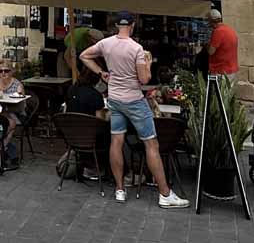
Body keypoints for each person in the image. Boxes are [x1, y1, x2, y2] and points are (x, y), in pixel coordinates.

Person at [81, 11, 189, 207]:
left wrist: (101, 72)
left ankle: (120, 190)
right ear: (132, 26)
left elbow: (84, 56)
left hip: (115, 99)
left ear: (116, 26)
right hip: (134, 101)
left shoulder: (106, 44)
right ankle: (165, 193)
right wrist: (148, 63)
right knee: (151, 145)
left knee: (116, 141)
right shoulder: (136, 48)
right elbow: (144, 79)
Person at [64, 66, 110, 181]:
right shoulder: (95, 95)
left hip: (71, 136)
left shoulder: (71, 89)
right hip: (91, 139)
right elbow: (100, 122)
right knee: (116, 135)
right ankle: (116, 170)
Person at [0, 59, 26, 160]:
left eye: (6, 71)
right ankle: (3, 149)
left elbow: (21, 106)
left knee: (9, 123)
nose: (3, 73)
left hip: (15, 113)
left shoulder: (17, 85)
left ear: (11, 71)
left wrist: (19, 94)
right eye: (0, 71)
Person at [206, 9, 239, 80]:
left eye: (208, 20)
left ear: (211, 21)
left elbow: (211, 51)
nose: (208, 23)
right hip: (231, 69)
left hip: (221, 70)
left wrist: (206, 45)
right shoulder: (229, 29)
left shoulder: (218, 32)